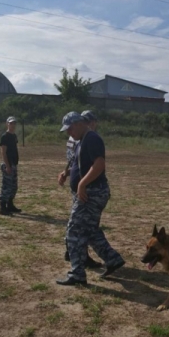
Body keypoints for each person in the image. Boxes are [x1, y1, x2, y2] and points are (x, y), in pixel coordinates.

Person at [56, 111, 125, 286]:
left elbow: (99, 165)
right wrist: (68, 174)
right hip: (92, 191)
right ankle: (113, 259)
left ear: (80, 124)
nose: (68, 133)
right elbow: (83, 166)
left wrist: (81, 184)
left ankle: (77, 273)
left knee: (74, 231)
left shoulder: (92, 138)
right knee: (90, 230)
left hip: (91, 193)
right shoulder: (82, 140)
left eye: (70, 128)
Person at [58, 110, 103, 269]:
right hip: (83, 186)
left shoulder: (84, 137)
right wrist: (66, 173)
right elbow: (73, 161)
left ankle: (73, 252)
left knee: (77, 221)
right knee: (82, 223)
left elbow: (73, 162)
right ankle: (77, 254)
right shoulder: (79, 138)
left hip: (81, 183)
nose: (93, 124)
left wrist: (66, 173)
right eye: (91, 121)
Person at [0, 116, 21, 216]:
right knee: (6, 187)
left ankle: (10, 204)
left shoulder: (14, 136)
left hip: (14, 164)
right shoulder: (5, 136)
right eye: (11, 123)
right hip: (8, 164)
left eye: (14, 123)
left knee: (14, 186)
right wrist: (7, 166)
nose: (13, 125)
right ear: (7, 124)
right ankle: (2, 207)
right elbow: (3, 152)